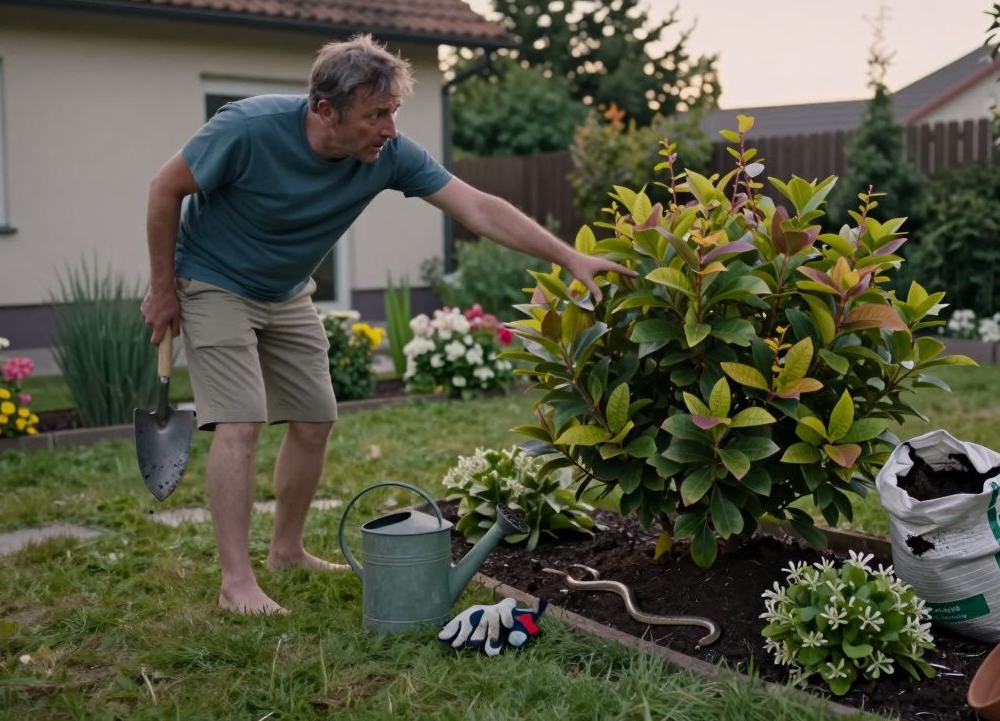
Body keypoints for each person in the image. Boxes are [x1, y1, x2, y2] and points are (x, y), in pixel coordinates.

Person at [140, 34, 634, 615]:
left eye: (394, 112)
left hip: (287, 289)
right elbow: (165, 188)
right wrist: (165, 288)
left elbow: (477, 206)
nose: (390, 128)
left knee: (315, 420)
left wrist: (569, 257)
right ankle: (236, 583)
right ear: (326, 110)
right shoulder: (247, 129)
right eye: (377, 114)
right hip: (213, 279)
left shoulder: (389, 154)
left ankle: (287, 550)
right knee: (241, 423)